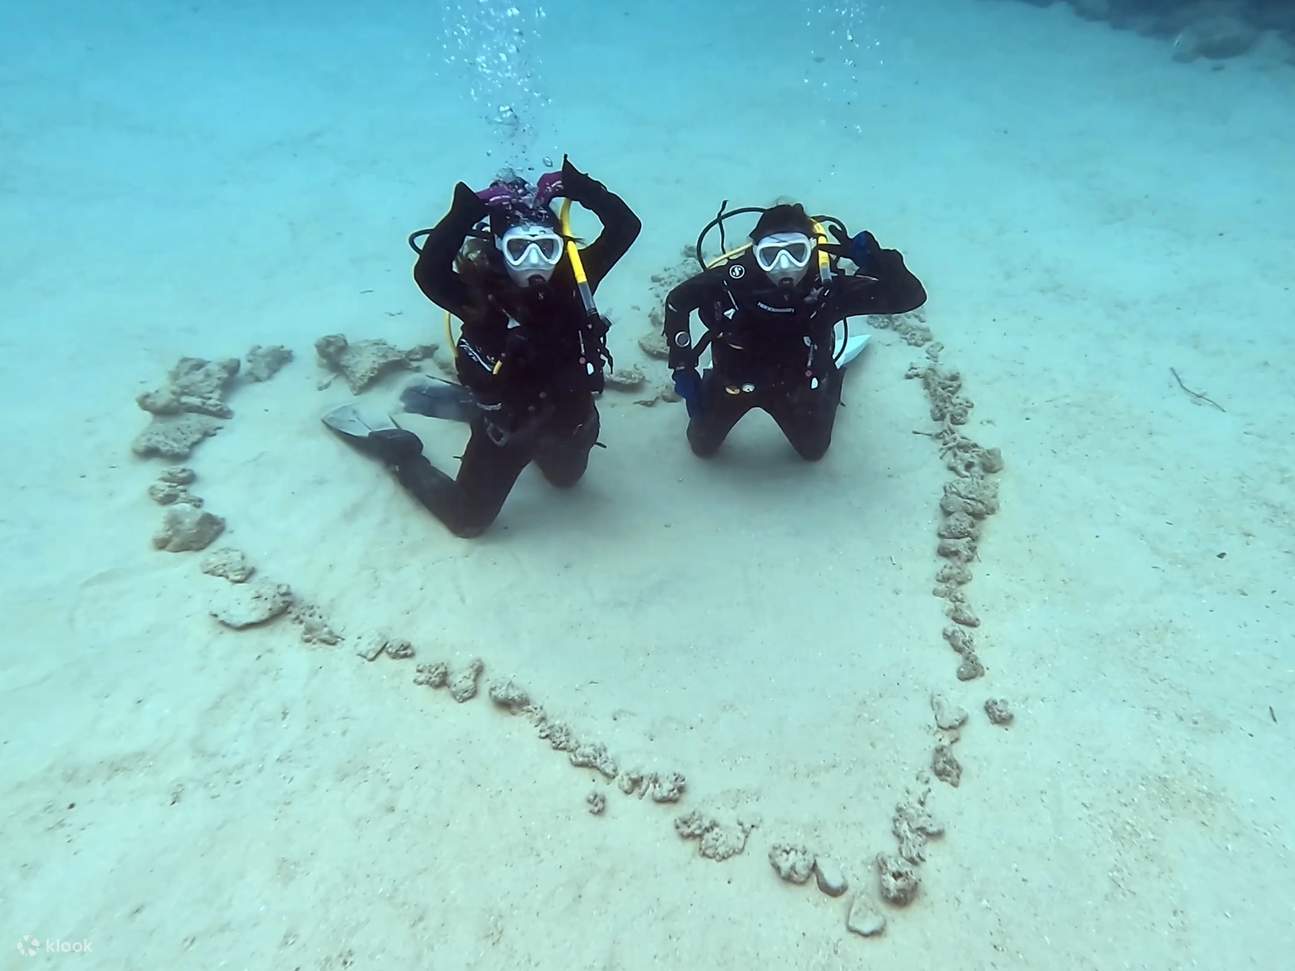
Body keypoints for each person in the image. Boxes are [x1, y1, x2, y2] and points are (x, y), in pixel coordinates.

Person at [323, 156, 641, 537]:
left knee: (566, 482)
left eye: (546, 248)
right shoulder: (478, 295)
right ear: (500, 248)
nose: (534, 262)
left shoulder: (575, 281)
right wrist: (470, 206)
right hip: (505, 433)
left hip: (571, 424)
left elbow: (626, 227)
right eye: (520, 248)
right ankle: (398, 450)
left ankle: (465, 405)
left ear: (561, 248)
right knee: (467, 522)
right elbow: (429, 272)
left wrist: (580, 186)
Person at [662, 202, 926, 460]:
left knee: (813, 450)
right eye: (771, 254)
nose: (784, 265)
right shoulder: (733, 282)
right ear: (755, 254)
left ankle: (830, 380)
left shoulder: (826, 290)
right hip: (733, 380)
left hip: (796, 386)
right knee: (701, 446)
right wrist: (683, 365)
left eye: (795, 252)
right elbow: (678, 301)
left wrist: (883, 262)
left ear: (811, 250)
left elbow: (910, 296)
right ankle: (712, 382)